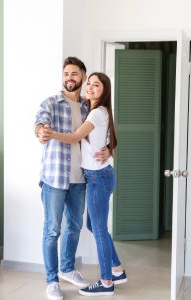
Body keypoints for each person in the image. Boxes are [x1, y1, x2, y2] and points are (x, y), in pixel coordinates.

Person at [34, 57, 110, 300]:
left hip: (80, 178)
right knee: (52, 230)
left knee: (75, 227)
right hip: (55, 178)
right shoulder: (52, 103)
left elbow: (100, 136)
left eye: (74, 74)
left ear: (83, 77)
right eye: (66, 73)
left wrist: (109, 148)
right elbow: (40, 123)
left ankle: (67, 268)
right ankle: (51, 280)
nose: (69, 78)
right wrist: (41, 132)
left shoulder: (90, 107)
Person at [48, 72, 127, 297]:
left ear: (104, 91)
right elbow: (110, 140)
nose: (90, 88)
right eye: (89, 83)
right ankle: (118, 270)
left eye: (96, 85)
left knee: (99, 230)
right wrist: (110, 150)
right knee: (94, 227)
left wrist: (50, 134)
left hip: (97, 178)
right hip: (100, 176)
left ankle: (106, 282)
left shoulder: (96, 113)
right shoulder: (94, 110)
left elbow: (74, 137)